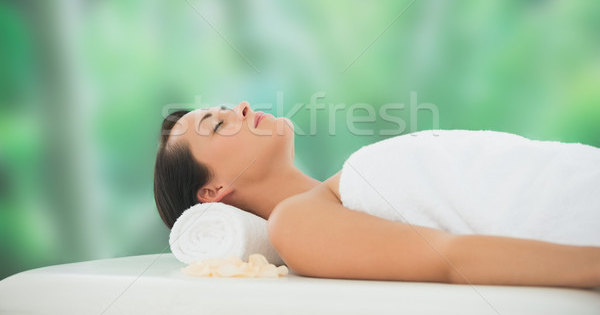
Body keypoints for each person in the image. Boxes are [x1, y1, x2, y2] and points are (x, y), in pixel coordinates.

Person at [154, 101, 600, 287]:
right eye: (217, 124)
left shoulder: (342, 190)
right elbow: (450, 258)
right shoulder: (297, 223)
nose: (242, 108)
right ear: (213, 192)